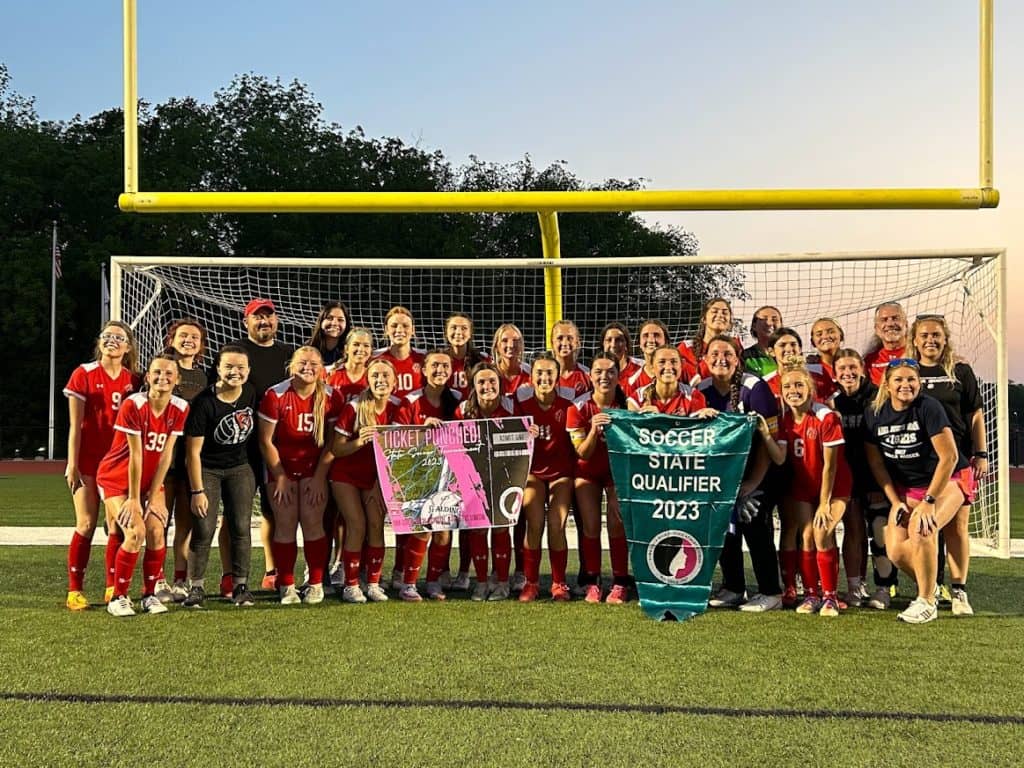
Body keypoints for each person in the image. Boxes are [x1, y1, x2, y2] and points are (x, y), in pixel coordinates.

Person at [864, 358, 973, 624]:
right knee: (896, 550)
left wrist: (929, 501)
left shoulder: (929, 407)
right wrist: (894, 501)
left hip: (949, 479)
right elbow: (877, 464)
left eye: (911, 379)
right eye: (898, 380)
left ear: (919, 383)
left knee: (923, 527)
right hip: (907, 488)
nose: (905, 385)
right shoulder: (874, 412)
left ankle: (926, 602)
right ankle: (931, 588)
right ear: (887, 384)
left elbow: (948, 458)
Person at [695, 335, 784, 612]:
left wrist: (753, 482)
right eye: (714, 353)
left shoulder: (754, 387)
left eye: (728, 353)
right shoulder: (701, 389)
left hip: (759, 471)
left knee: (752, 518)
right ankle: (734, 586)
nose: (721, 358)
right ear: (705, 359)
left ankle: (771, 591)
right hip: (721, 477)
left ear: (737, 358)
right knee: (722, 525)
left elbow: (767, 439)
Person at [99, 354, 190, 617]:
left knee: (157, 531)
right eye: (157, 373)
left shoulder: (181, 408)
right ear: (148, 377)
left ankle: (149, 595)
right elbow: (136, 456)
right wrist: (135, 500)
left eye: (169, 373)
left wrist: (155, 494)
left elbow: (166, 454)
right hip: (117, 479)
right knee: (135, 532)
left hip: (149, 482)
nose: (163, 377)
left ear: (177, 379)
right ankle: (118, 597)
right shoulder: (134, 405)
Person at [761, 361, 852, 617]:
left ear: (810, 388)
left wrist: (824, 503)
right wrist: (765, 435)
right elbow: (779, 458)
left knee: (823, 533)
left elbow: (830, 468)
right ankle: (812, 594)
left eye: (799, 384)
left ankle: (831, 596)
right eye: (788, 386)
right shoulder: (784, 419)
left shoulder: (825, 416)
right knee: (807, 535)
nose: (793, 390)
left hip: (834, 487)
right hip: (803, 487)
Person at [910, 315, 986, 615]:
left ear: (945, 337)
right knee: (926, 528)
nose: (931, 340)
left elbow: (975, 415)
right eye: (925, 335)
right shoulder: (908, 371)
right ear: (914, 339)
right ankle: (930, 587)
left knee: (956, 527)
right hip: (919, 464)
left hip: (958, 461)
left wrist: (981, 453)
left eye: (936, 335)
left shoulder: (960, 371)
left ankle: (958, 590)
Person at [63, 321, 141, 611]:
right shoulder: (83, 373)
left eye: (119, 337)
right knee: (85, 523)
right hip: (88, 461)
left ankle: (112, 586)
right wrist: (72, 463)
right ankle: (75, 591)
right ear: (99, 342)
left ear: (128, 346)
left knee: (115, 527)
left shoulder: (133, 381)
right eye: (107, 336)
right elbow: (75, 426)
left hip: (116, 465)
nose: (112, 341)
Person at [257, 346, 343, 605]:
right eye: (302, 363)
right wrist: (280, 476)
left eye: (314, 364)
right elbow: (265, 441)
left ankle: (315, 583)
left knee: (312, 521)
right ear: (291, 366)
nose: (308, 368)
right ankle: (287, 585)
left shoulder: (331, 396)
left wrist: (319, 477)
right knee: (285, 523)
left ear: (322, 369)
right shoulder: (275, 394)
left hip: (314, 468)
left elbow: (331, 443)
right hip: (280, 467)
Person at [182, 344, 257, 608]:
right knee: (203, 528)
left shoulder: (249, 392)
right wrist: (197, 491)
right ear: (218, 368)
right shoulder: (204, 402)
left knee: (240, 527)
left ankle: (241, 586)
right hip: (208, 469)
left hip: (239, 467)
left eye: (240, 367)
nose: (234, 372)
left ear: (248, 370)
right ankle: (196, 587)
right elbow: (193, 452)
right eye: (228, 367)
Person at [330, 358, 403, 603]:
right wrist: (360, 440)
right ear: (368, 380)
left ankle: (373, 582)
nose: (380, 381)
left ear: (395, 381)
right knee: (357, 524)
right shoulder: (354, 407)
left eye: (385, 376)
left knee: (375, 524)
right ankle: (351, 585)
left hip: (376, 477)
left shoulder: (399, 406)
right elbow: (337, 449)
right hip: (346, 474)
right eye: (375, 377)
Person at [234, 298, 293, 591]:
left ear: (276, 321)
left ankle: (273, 569)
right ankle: (231, 574)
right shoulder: (235, 352)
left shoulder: (287, 355)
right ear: (247, 322)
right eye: (258, 317)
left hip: (275, 446)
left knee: (273, 510)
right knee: (236, 512)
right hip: (240, 446)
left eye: (269, 317)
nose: (264, 322)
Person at [394, 349, 462, 602]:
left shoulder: (457, 399)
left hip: (449, 475)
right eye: (434, 365)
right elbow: (395, 440)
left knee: (444, 530)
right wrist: (421, 431)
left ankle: (433, 582)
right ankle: (408, 583)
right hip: (418, 474)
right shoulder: (410, 401)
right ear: (423, 370)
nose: (440, 370)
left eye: (445, 366)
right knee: (422, 527)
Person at [831, 348, 893, 610]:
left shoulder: (879, 396)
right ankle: (855, 587)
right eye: (842, 369)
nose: (848, 373)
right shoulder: (834, 402)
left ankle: (883, 588)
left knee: (880, 532)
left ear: (863, 369)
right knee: (854, 530)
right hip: (848, 476)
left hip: (877, 476)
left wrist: (882, 482)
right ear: (834, 374)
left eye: (852, 367)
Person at [567, 353, 631, 604]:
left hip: (617, 473)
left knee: (617, 523)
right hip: (587, 472)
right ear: (590, 376)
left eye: (610, 371)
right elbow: (582, 452)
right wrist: (594, 429)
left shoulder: (628, 405)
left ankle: (620, 582)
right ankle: (592, 582)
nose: (604, 376)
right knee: (591, 525)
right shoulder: (578, 407)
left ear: (618, 375)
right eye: (598, 372)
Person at [513, 352, 575, 602]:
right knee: (534, 522)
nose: (544, 377)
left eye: (550, 372)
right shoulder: (522, 408)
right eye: (540, 372)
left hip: (562, 474)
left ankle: (559, 583)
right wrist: (522, 432)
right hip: (534, 475)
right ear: (531, 377)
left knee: (556, 524)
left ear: (558, 377)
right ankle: (531, 583)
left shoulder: (568, 407)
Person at [455, 362, 516, 601]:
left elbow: (522, 435)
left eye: (492, 381)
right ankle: (480, 582)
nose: (487, 386)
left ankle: (502, 582)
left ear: (500, 385)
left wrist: (528, 432)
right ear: (473, 386)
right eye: (481, 382)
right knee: (478, 525)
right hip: (474, 476)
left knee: (501, 524)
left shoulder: (511, 406)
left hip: (505, 474)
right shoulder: (462, 409)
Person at [161, 319, 211, 602]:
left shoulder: (205, 379)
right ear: (172, 339)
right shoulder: (159, 370)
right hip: (163, 462)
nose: (189, 340)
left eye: (194, 336)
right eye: (183, 335)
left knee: (185, 525)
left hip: (192, 462)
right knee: (158, 523)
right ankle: (156, 579)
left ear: (201, 344)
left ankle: (181, 580)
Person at [627, 346, 710, 415]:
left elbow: (696, 430)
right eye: (662, 362)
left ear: (681, 366)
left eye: (674, 362)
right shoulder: (637, 398)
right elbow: (631, 431)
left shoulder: (694, 396)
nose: (668, 367)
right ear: (652, 367)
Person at [678, 297, 739, 385]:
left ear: (730, 323)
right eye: (715, 311)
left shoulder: (736, 347)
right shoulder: (686, 348)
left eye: (725, 313)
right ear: (704, 319)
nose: (720, 315)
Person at [374, 305, 425, 399]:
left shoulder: (425, 358)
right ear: (386, 330)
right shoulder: (374, 359)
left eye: (405, 326)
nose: (399, 330)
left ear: (413, 330)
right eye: (394, 326)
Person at [622, 319, 670, 399]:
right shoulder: (632, 382)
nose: (651, 340)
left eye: (656, 335)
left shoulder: (681, 371)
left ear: (666, 341)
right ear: (639, 343)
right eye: (646, 335)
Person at [863, 302, 908, 385]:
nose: (890, 324)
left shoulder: (918, 353)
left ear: (906, 324)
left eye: (895, 318)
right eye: (884, 320)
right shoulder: (869, 361)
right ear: (876, 329)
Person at [443, 312, 487, 397]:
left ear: (470, 333)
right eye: (454, 327)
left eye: (464, 328)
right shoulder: (439, 359)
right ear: (446, 332)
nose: (458, 332)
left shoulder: (482, 359)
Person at [550, 320, 591, 399]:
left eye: (570, 338)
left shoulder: (588, 376)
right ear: (552, 342)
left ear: (578, 342)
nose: (565, 343)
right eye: (560, 338)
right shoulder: (543, 375)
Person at [308, 301, 352, 370]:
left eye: (340, 320)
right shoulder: (308, 347)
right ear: (321, 321)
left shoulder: (351, 351)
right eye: (329, 318)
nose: (334, 323)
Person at [742, 305, 783, 378]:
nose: (769, 323)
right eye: (764, 319)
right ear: (754, 326)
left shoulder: (789, 355)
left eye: (774, 319)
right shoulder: (744, 356)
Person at [491, 323, 531, 396]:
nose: (511, 345)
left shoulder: (530, 373)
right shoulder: (489, 373)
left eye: (515, 340)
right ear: (497, 346)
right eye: (505, 340)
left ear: (521, 345)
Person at [600, 321, 642, 387]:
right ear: (603, 344)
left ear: (626, 344)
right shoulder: (596, 371)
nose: (613, 345)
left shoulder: (641, 368)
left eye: (618, 340)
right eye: (609, 340)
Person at [808, 317, 845, 382]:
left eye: (831, 332)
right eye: (819, 334)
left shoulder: (855, 362)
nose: (825, 336)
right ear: (813, 342)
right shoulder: (810, 369)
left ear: (841, 335)